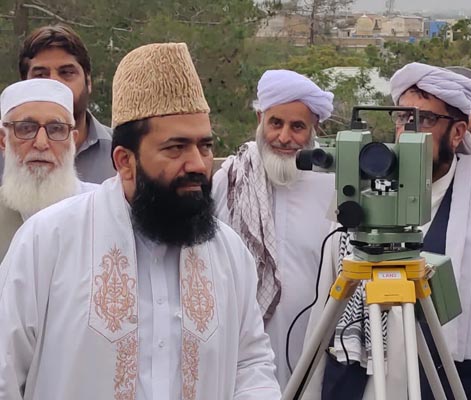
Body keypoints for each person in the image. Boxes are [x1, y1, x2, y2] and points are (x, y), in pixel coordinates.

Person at [0, 42, 280, 399]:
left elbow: (251, 364)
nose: (197, 163)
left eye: (205, 146)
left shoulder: (228, 252)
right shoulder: (48, 240)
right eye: (175, 148)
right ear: (124, 161)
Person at [309, 62, 471, 400]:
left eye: (424, 120)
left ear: (457, 133)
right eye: (402, 118)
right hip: (359, 382)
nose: (407, 131)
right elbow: (327, 300)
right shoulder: (360, 189)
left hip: (441, 383)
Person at [212, 69, 336, 389]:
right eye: (275, 123)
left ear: (314, 129)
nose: (283, 137)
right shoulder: (231, 179)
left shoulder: (333, 185)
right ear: (260, 118)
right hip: (239, 342)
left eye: (297, 127)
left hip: (315, 343)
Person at [0, 24, 114, 184]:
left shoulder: (122, 153)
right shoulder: (5, 148)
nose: (55, 84)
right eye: (40, 75)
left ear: (88, 82)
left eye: (66, 73)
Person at [0, 79, 97, 260]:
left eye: (56, 129)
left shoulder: (103, 208)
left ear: (72, 141)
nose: (41, 143)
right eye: (26, 128)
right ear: (3, 140)